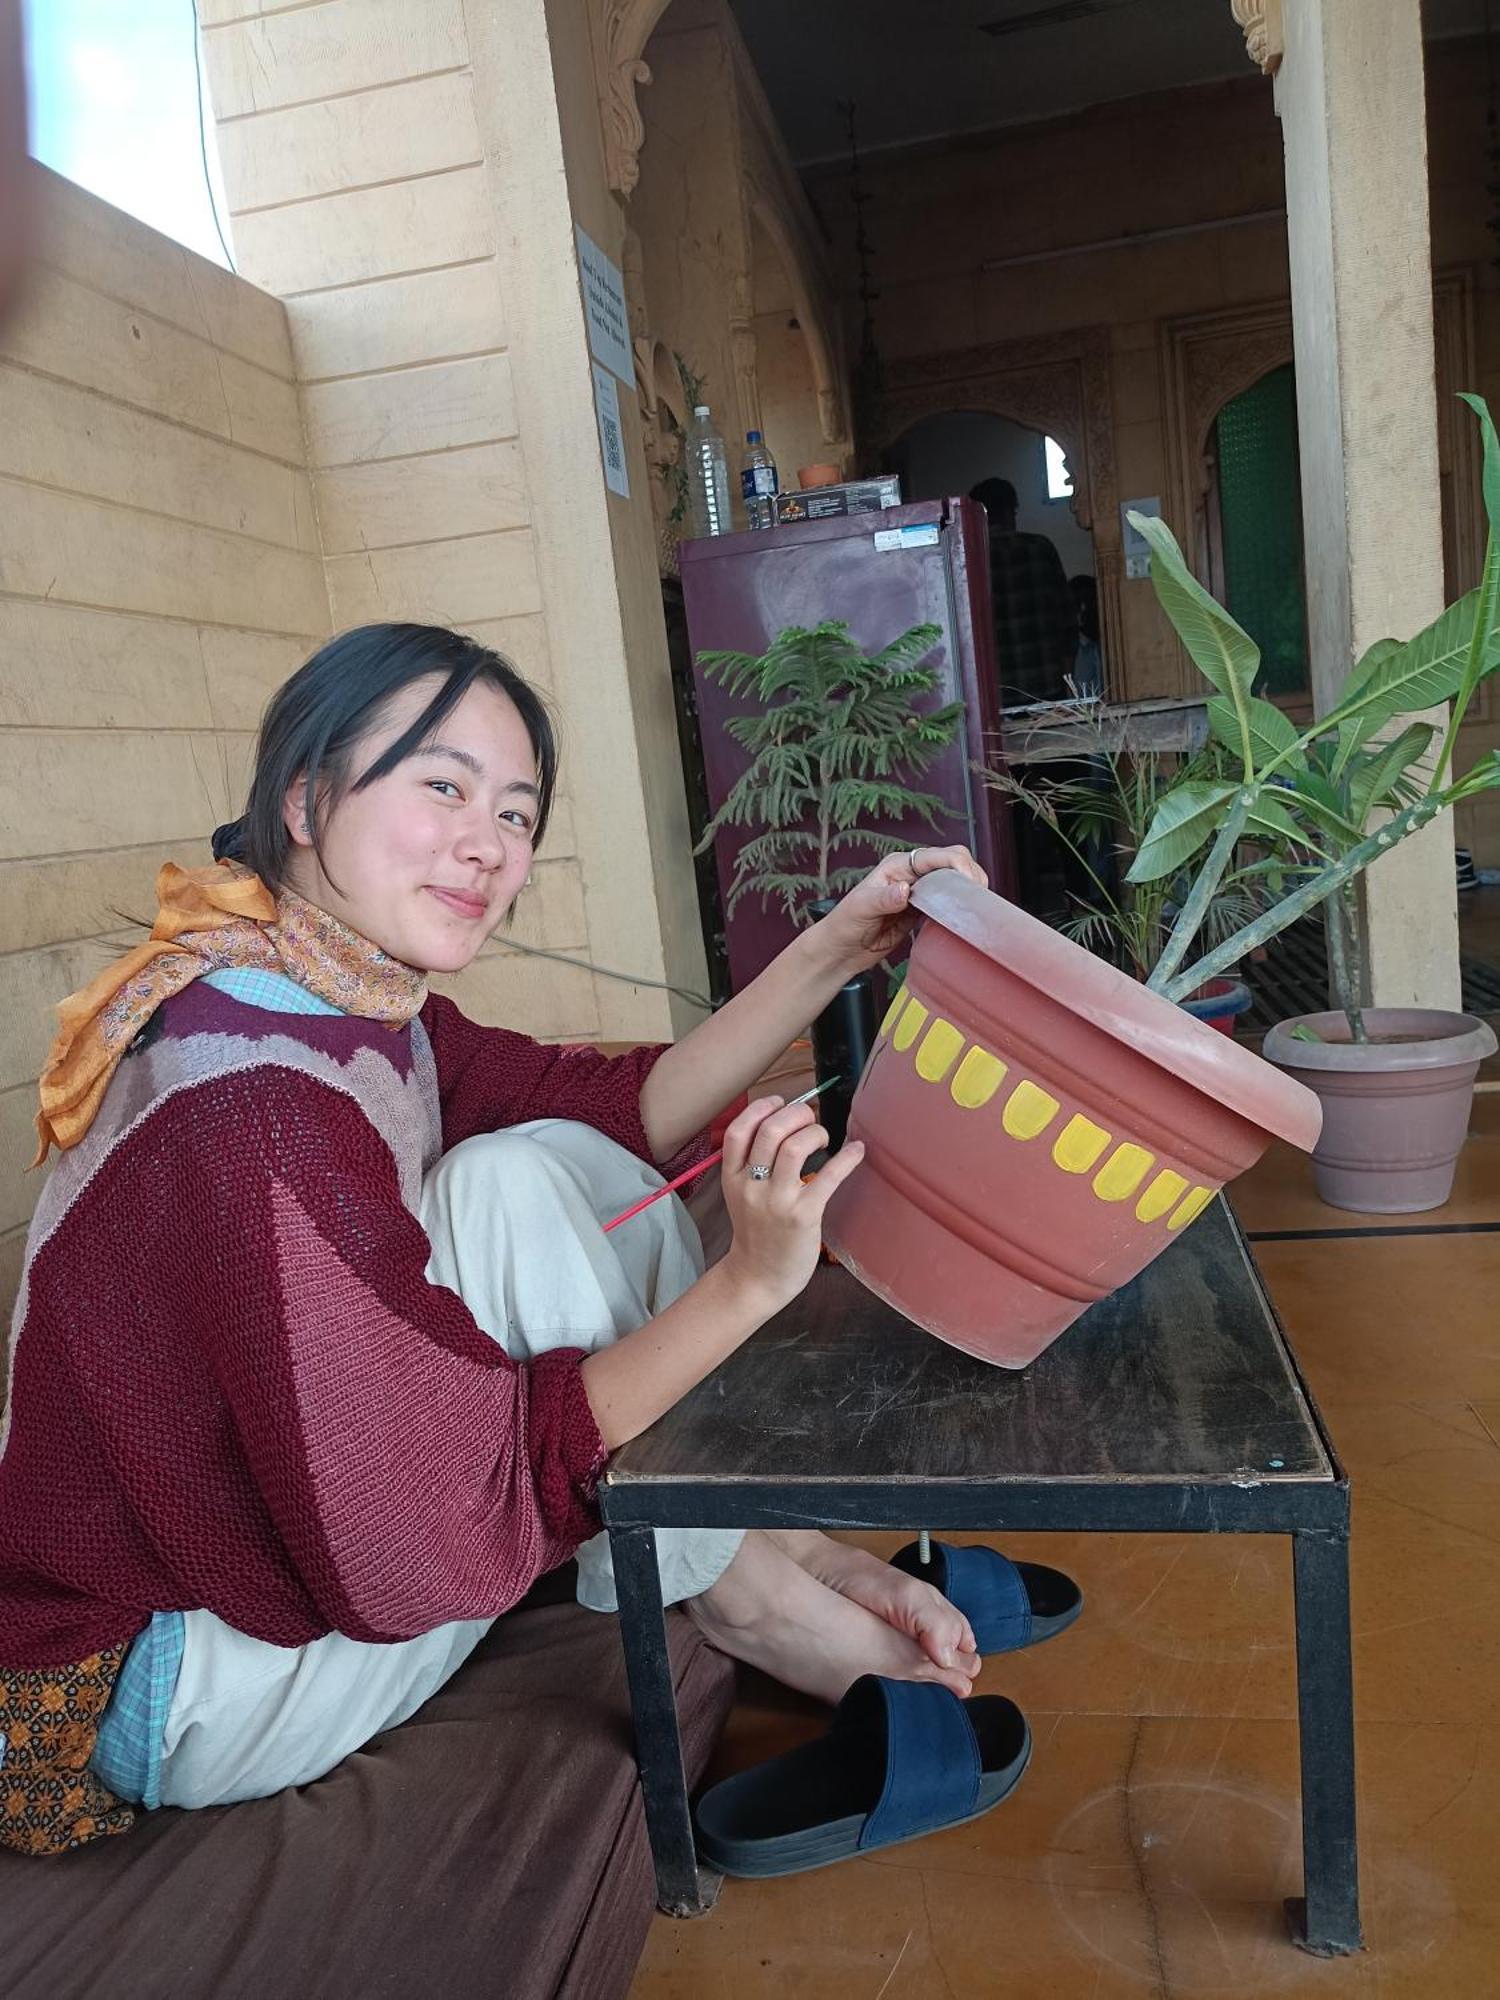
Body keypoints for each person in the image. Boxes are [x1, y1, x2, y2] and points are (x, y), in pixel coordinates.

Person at [0, 622, 995, 1855]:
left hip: (238, 1571)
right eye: (442, 786)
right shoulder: (255, 1103)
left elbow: (609, 1113)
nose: (489, 843)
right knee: (518, 1192)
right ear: (306, 798)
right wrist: (748, 1280)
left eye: (517, 812)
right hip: (181, 1683)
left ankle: (768, 1548)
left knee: (534, 1162)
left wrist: (836, 946)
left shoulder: (323, 982)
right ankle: (757, 1596)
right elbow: (425, 1517)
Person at [970, 475, 1078, 707]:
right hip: (1046, 686)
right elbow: (1068, 621)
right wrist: (1067, 679)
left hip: (995, 695)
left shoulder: (970, 559)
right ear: (1011, 512)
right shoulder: (1039, 548)